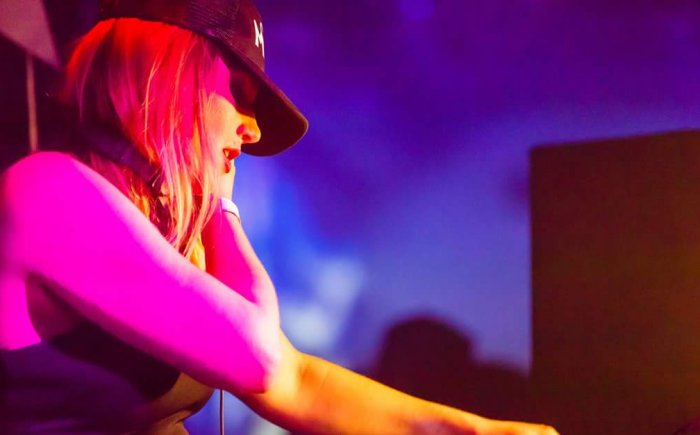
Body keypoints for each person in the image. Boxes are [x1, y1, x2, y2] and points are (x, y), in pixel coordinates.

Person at [0, 0, 559, 433]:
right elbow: (261, 360)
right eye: (239, 93)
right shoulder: (48, 192)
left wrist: (480, 430)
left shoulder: (145, 225)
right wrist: (220, 204)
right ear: (169, 73)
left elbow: (296, 380)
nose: (253, 129)